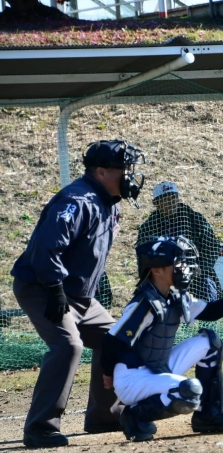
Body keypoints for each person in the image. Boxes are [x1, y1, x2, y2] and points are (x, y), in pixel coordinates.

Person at [10, 139, 146, 448]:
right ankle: (40, 428)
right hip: (43, 286)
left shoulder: (109, 202)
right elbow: (47, 247)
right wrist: (54, 289)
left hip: (78, 295)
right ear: (101, 171)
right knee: (67, 346)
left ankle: (105, 416)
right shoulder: (77, 200)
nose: (129, 175)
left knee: (117, 339)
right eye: (123, 169)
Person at [100, 236, 223, 442]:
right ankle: (134, 415)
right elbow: (111, 341)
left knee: (210, 343)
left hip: (157, 367)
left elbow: (211, 311)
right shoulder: (144, 304)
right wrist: (108, 374)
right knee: (189, 392)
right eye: (177, 263)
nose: (184, 268)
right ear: (156, 270)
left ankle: (209, 415)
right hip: (132, 379)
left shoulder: (175, 296)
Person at [137, 181, 221, 302]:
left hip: (197, 275)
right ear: (156, 203)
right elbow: (144, 258)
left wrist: (200, 268)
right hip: (163, 277)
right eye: (165, 199)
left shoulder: (195, 219)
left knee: (207, 292)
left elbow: (212, 247)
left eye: (173, 198)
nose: (171, 203)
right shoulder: (149, 227)